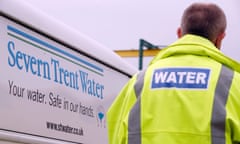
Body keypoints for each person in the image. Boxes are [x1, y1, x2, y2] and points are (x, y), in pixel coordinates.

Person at [107, 2, 240, 144]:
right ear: (220, 38)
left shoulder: (138, 83)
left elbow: (115, 134)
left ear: (179, 33)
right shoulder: (234, 84)